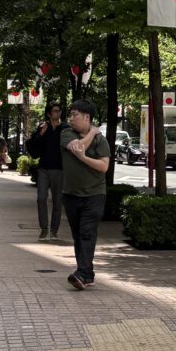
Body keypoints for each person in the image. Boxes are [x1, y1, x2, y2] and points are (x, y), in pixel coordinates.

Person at [27, 103, 97, 242]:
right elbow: (32, 147)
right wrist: (40, 134)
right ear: (49, 114)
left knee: (57, 201)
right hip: (44, 168)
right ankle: (44, 228)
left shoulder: (65, 129)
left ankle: (54, 230)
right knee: (41, 198)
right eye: (55, 111)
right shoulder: (43, 127)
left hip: (59, 169)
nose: (58, 113)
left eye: (60, 111)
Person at [61, 99, 111, 290]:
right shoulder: (67, 133)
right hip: (71, 194)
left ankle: (81, 273)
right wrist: (92, 132)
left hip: (94, 194)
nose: (71, 119)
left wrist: (83, 158)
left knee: (87, 233)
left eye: (75, 115)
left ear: (87, 117)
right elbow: (77, 147)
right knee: (78, 235)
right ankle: (87, 274)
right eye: (70, 115)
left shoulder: (101, 140)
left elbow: (104, 166)